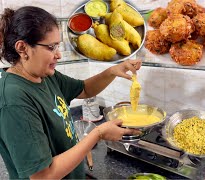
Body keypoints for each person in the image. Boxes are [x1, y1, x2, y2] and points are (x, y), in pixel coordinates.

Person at [0, 6, 142, 179]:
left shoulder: (44, 75)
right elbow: (42, 176)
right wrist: (97, 135)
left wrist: (112, 71)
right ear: (22, 48)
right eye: (51, 47)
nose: (58, 54)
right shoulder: (14, 100)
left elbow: (84, 89)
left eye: (57, 46)